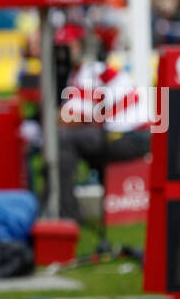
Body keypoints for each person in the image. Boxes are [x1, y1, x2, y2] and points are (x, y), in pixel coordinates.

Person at [55, 33, 152, 225]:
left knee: (63, 140)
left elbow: (70, 118)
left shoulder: (90, 71)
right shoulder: (86, 71)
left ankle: (67, 214)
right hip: (129, 134)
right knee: (71, 138)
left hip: (132, 136)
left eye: (68, 46)